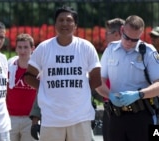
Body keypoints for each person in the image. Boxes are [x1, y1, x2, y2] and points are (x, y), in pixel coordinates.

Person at [24, 5, 101, 141]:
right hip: (51, 118)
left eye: (69, 20)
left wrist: (80, 91)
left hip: (80, 117)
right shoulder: (44, 48)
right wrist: (44, 89)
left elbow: (96, 79)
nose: (65, 23)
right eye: (61, 20)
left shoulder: (86, 47)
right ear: (55, 24)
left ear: (75, 25)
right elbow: (29, 77)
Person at [96, 15, 159, 141]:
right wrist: (110, 95)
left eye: (134, 40)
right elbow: (98, 81)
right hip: (115, 115)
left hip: (141, 115)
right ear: (122, 30)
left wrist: (138, 94)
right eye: (127, 38)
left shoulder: (148, 52)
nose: (129, 42)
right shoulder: (111, 50)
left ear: (140, 34)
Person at [6, 33, 37, 141]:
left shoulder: (38, 69)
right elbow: (4, 91)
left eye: (26, 47)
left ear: (32, 49)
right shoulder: (9, 66)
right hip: (10, 118)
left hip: (30, 119)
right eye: (20, 47)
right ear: (16, 49)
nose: (22, 51)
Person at [102, 18, 124, 141]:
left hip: (122, 105)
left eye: (107, 33)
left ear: (116, 34)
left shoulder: (128, 52)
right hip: (109, 104)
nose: (105, 36)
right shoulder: (108, 51)